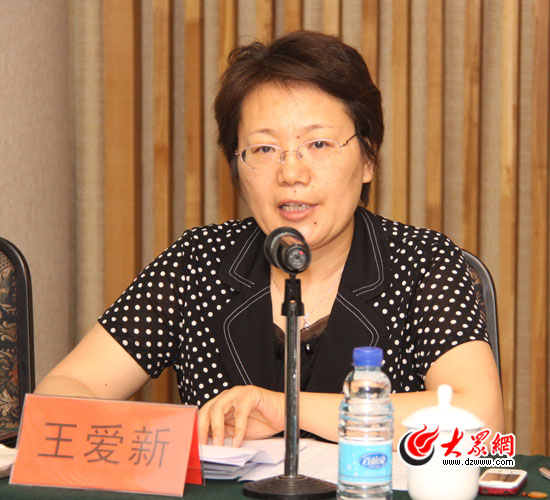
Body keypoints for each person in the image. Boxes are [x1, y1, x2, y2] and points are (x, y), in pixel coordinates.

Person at [35, 30, 503, 449]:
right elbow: (63, 395)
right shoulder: (197, 262)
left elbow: (480, 422)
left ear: (367, 160)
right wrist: (178, 433)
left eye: (318, 144)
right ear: (237, 167)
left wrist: (286, 409)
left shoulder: (422, 262)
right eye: (264, 148)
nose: (291, 173)